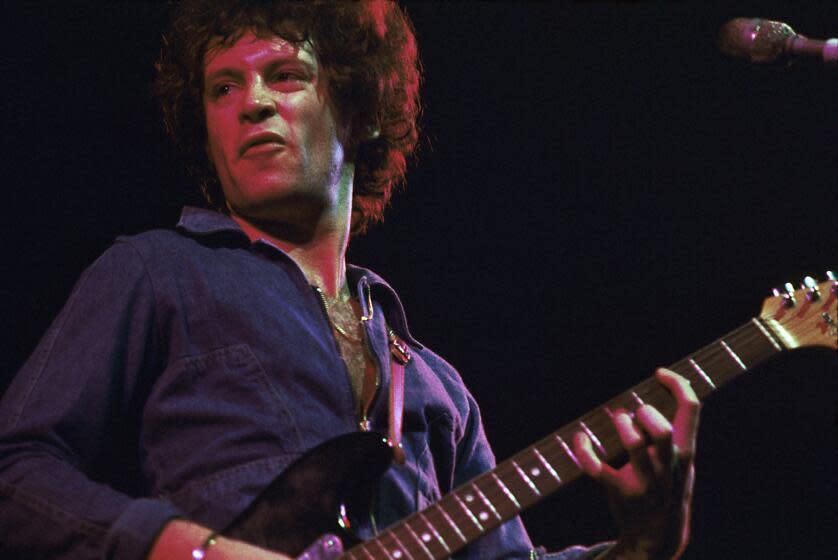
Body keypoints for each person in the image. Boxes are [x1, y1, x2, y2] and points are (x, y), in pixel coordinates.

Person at [0, 1, 700, 559]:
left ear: (359, 108)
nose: (252, 103)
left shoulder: (436, 389)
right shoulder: (158, 273)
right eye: (223, 86)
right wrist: (192, 551)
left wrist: (645, 542)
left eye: (284, 75)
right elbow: (15, 473)